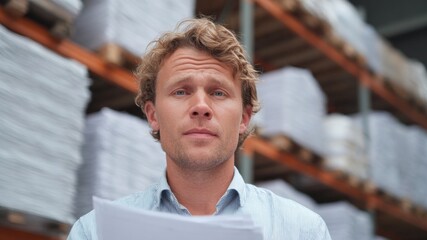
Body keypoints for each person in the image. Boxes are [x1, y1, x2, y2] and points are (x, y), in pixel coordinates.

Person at [67, 18, 331, 240]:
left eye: (218, 92)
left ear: (244, 118)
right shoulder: (94, 233)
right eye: (181, 91)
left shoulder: (303, 231)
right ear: (153, 115)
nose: (200, 106)